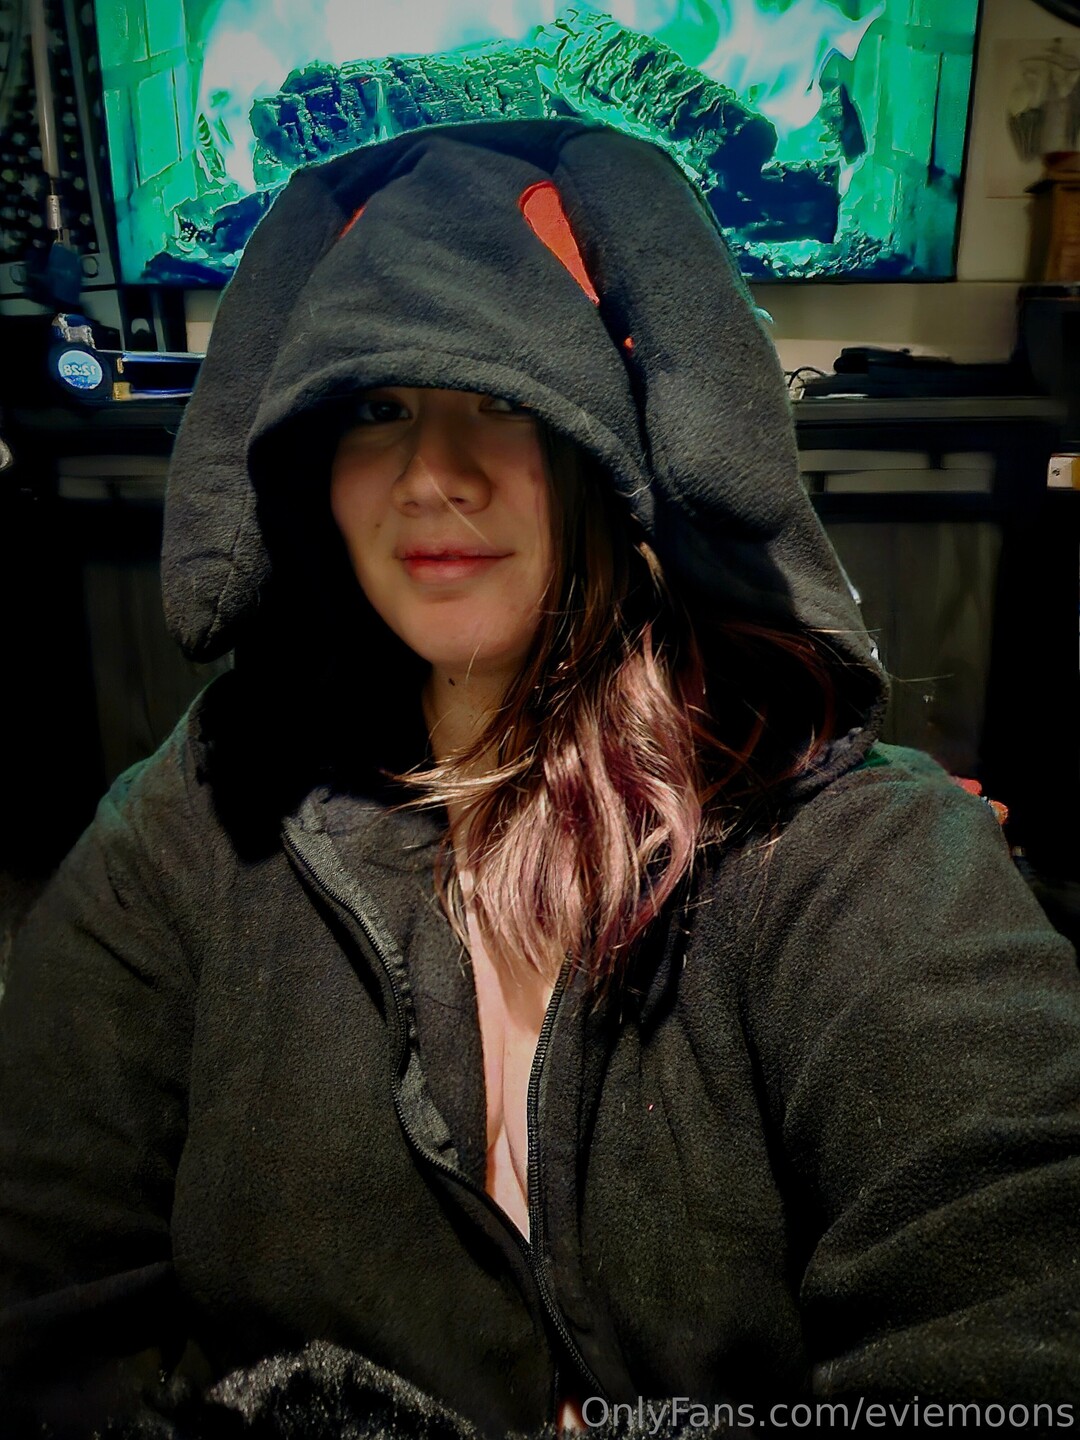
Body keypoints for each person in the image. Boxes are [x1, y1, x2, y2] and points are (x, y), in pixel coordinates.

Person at [1, 117, 1079, 1440]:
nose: (430, 477)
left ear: (611, 441)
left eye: (500, 400)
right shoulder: (198, 822)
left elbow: (1021, 1333)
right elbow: (39, 1311)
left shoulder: (854, 849)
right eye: (376, 410)